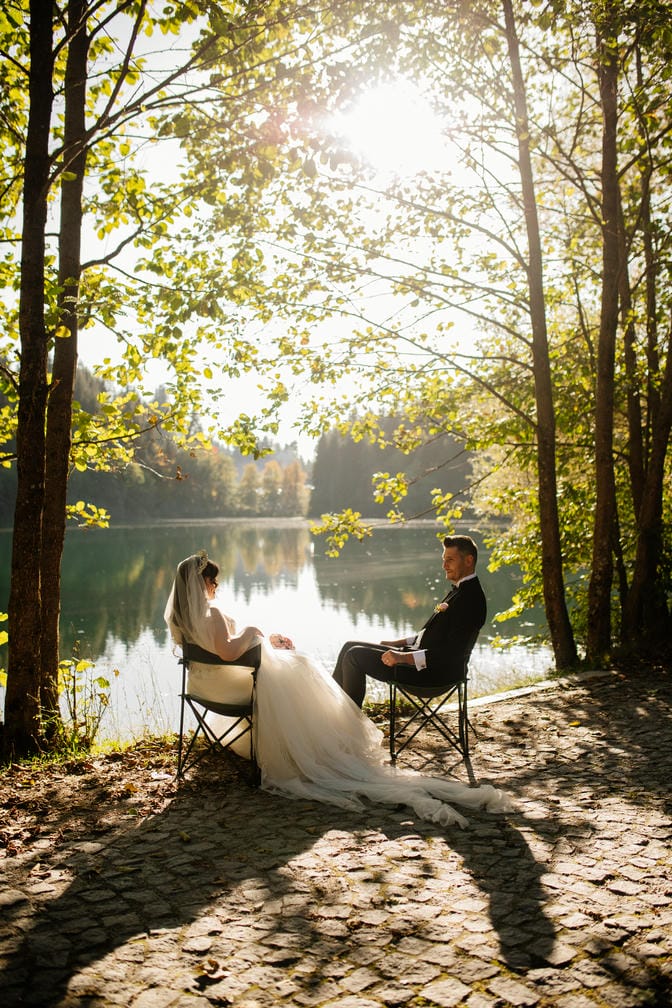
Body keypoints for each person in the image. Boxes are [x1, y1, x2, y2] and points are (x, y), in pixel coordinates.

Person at [164, 548, 511, 828]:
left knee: (342, 654)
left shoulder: (186, 618)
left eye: (449, 560)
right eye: (214, 582)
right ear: (202, 583)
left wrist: (402, 656)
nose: (217, 588)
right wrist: (255, 630)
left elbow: (446, 650)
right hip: (242, 686)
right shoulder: (211, 614)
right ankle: (336, 723)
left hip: (211, 690)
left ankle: (335, 718)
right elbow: (228, 648)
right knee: (315, 660)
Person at [333, 535, 485, 707]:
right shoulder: (459, 592)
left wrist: (402, 657)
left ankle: (350, 723)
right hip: (421, 663)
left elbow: (451, 654)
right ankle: (335, 712)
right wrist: (396, 643)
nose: (444, 566)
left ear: (469, 560)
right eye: (444, 560)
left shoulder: (470, 599)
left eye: (449, 560)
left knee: (354, 656)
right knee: (349, 646)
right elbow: (431, 635)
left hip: (432, 675)